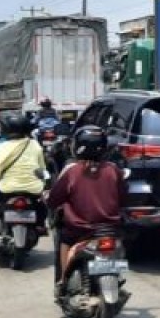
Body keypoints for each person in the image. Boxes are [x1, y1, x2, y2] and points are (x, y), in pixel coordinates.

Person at [47, 125, 125, 298]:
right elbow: (123, 197)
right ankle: (118, 278)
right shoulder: (114, 170)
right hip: (111, 229)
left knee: (64, 240)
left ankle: (62, 280)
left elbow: (54, 200)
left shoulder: (72, 171)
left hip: (80, 229)